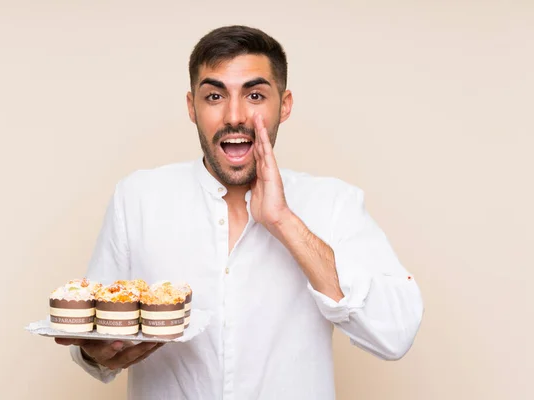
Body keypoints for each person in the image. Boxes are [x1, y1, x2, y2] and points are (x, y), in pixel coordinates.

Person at [55, 25, 424, 399]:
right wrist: (96, 355)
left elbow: (394, 334)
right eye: (215, 96)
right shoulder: (136, 198)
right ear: (191, 107)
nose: (235, 115)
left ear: (285, 104)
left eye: (255, 95)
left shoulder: (334, 202)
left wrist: (284, 222)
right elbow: (94, 332)